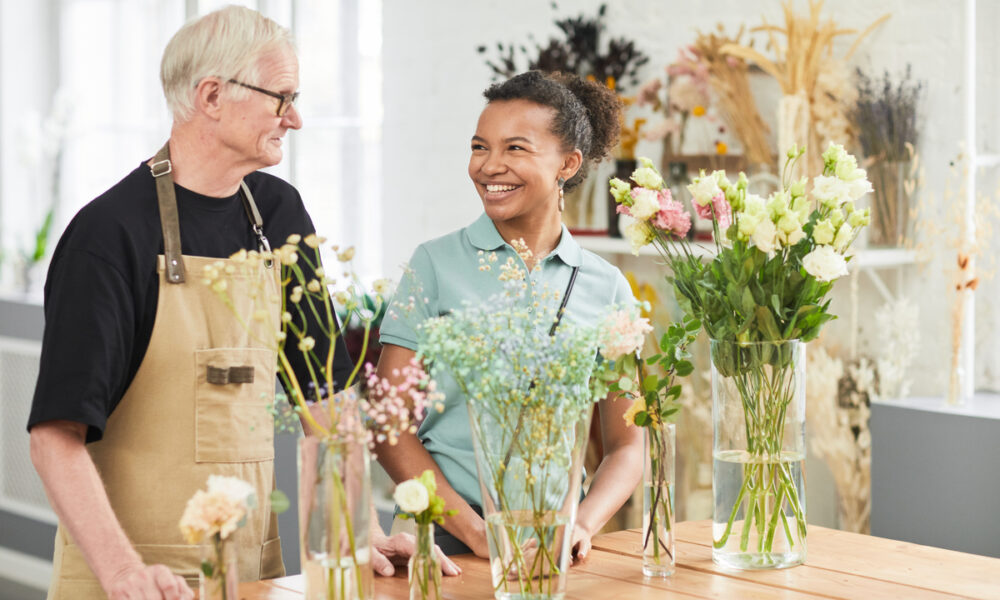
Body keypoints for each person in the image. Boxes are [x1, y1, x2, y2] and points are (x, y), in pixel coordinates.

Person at [27, 7, 455, 600]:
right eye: (281, 98)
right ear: (210, 96)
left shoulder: (280, 214)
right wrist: (125, 572)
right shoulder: (109, 235)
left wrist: (362, 530)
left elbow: (325, 397)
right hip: (132, 580)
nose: (297, 118)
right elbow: (54, 438)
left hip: (253, 575)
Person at [376, 70, 644, 559]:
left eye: (515, 149)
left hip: (555, 548)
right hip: (438, 544)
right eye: (480, 147)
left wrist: (582, 524)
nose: (488, 166)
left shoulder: (606, 287)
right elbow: (389, 428)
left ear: (568, 163)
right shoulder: (434, 264)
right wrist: (479, 535)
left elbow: (627, 446)